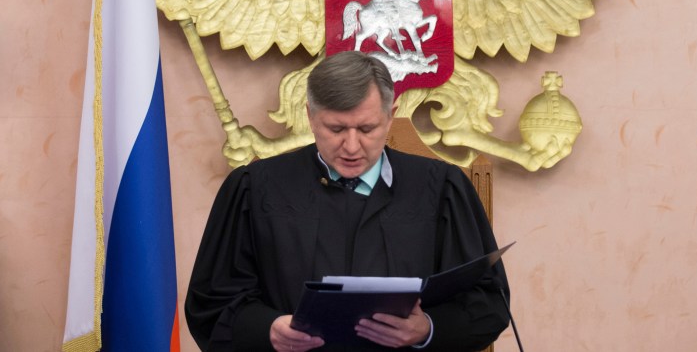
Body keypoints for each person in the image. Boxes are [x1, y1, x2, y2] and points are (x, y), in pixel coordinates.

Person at [185, 51, 510, 351]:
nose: (352, 147)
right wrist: (267, 329)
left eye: (367, 128)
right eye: (336, 128)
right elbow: (212, 303)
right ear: (311, 116)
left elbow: (488, 303)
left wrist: (427, 328)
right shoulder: (255, 189)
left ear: (391, 115)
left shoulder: (442, 189)